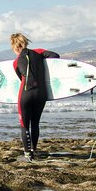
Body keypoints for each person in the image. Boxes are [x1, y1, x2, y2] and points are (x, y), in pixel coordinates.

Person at [10, 33, 59, 161]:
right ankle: (34, 151)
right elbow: (55, 56)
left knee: (24, 125)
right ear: (26, 43)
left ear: (14, 47)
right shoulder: (39, 52)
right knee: (35, 123)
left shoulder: (15, 62)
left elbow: (21, 79)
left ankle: (28, 155)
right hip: (41, 94)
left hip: (26, 94)